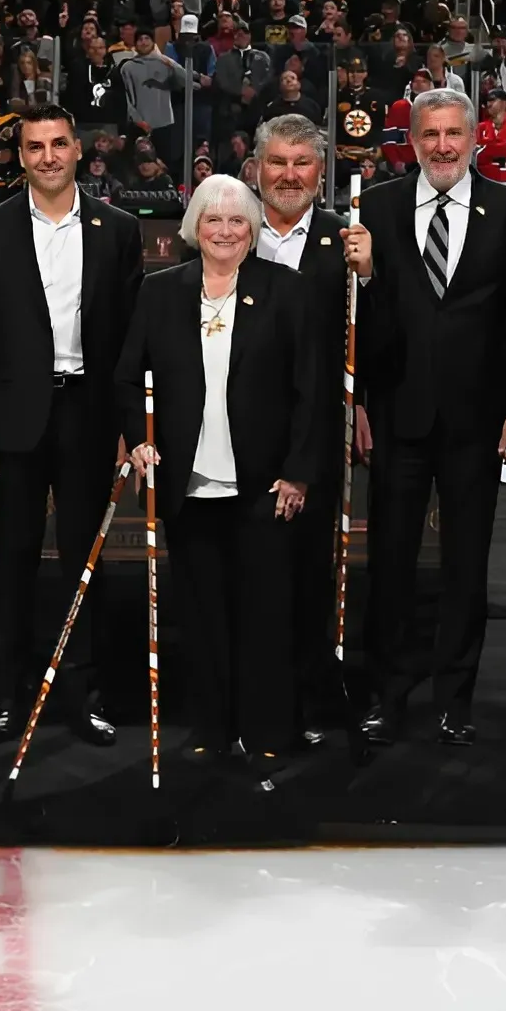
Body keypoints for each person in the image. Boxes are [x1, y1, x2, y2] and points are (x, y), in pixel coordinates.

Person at [341, 87, 506, 747]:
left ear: (475, 138)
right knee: (391, 566)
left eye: (455, 134)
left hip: (478, 420)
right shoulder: (375, 210)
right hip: (398, 415)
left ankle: (456, 699)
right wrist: (362, 398)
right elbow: (359, 321)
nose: (444, 146)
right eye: (432, 135)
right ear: (414, 141)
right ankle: (388, 695)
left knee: (466, 568)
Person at [118, 174, 318, 779]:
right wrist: (140, 442)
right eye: (213, 221)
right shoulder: (160, 292)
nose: (225, 232)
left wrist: (297, 473)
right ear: (194, 229)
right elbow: (128, 378)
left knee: (262, 612)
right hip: (190, 484)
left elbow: (310, 390)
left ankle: (265, 730)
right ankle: (209, 726)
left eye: (236, 222)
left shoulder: (286, 290)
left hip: (262, 485)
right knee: (202, 615)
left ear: (252, 230)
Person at [0, 102, 143, 744]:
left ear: (78, 149)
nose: (48, 157)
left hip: (88, 416)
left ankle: (81, 697)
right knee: (13, 564)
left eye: (58, 144)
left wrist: (132, 430)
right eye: (34, 147)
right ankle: (9, 697)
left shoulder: (117, 229)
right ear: (21, 154)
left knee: (81, 565)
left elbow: (128, 343)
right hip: (13, 421)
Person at [244, 113, 352, 738]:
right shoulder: (228, 230)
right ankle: (251, 698)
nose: (289, 175)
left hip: (313, 437)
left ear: (320, 170)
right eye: (277, 162)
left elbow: (371, 340)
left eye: (302, 163)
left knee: (311, 573)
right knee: (251, 574)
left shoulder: (347, 241)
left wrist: (370, 276)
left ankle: (309, 702)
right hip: (235, 433)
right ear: (256, 167)